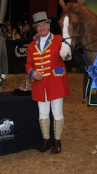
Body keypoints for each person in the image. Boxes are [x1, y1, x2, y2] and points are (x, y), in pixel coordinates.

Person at [25, 11, 70, 154]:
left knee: (57, 112)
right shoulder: (32, 45)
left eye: (43, 25)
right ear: (36, 29)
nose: (41, 28)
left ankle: (57, 142)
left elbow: (67, 56)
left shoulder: (59, 39)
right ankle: (46, 141)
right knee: (43, 113)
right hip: (39, 84)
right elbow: (28, 64)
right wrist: (32, 72)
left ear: (49, 25)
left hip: (55, 82)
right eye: (38, 26)